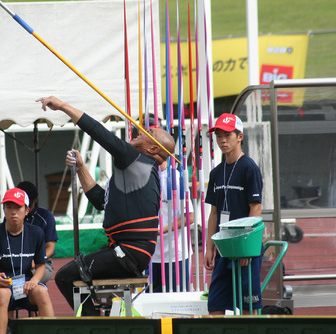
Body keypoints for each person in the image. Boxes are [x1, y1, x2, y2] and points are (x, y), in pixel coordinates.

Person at [37, 95, 175, 316]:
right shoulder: (139, 171)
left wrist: (63, 106)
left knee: (64, 276)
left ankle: (94, 324)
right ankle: (99, 319)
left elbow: (99, 133)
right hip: (129, 252)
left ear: (153, 150)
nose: (141, 130)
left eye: (150, 133)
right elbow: (101, 201)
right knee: (77, 273)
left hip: (128, 253)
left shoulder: (135, 160)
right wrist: (81, 167)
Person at [204, 113, 263, 315]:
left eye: (227, 135)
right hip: (223, 248)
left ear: (240, 137)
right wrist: (209, 247)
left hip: (244, 249)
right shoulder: (216, 172)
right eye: (218, 135)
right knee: (216, 305)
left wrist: (247, 247)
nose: (222, 140)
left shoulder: (249, 168)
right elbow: (214, 212)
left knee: (248, 307)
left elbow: (255, 209)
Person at [0, 188, 54, 334]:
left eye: (18, 207)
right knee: (3, 294)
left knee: (42, 292)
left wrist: (34, 281)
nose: (13, 212)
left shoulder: (36, 233)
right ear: (4, 210)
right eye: (9, 207)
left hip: (25, 285)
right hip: (0, 287)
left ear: (27, 210)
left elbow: (41, 266)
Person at [151, 164, 195, 292]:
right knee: (152, 305)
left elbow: (189, 217)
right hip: (150, 255)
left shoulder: (176, 177)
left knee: (176, 303)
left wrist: (161, 230)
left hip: (176, 255)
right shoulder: (143, 176)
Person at [16, 181, 58, 284]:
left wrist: (35, 261)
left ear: (36, 199)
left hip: (40, 263)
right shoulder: (12, 216)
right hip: (15, 260)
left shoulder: (46, 216)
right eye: (22, 205)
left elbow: (50, 248)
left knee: (25, 281)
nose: (27, 209)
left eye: (28, 204)